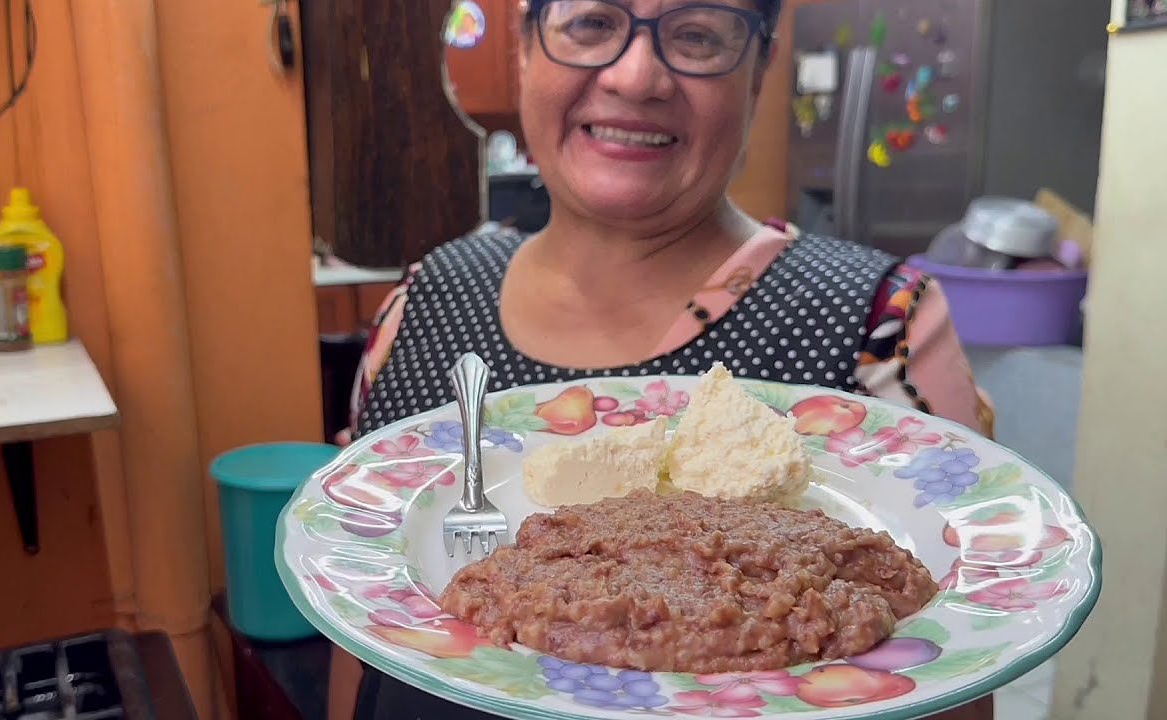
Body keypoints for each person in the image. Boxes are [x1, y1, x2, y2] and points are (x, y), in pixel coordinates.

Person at [331, 0, 995, 718]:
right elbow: (356, 600)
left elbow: (954, 666)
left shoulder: (881, 323)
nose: (635, 74)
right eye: (591, 23)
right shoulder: (421, 303)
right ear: (526, 49)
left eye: (697, 34)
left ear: (761, 68)